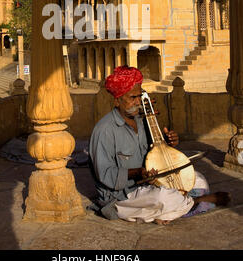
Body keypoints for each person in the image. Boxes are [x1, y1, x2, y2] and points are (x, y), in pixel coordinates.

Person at [89, 65, 230, 224]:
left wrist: (168, 142)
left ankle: (161, 212)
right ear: (117, 101)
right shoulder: (104, 131)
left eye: (139, 96)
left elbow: (155, 153)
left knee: (198, 180)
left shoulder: (142, 122)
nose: (138, 102)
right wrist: (138, 172)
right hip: (122, 195)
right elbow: (105, 174)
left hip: (150, 181)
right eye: (132, 98)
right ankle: (193, 202)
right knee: (164, 197)